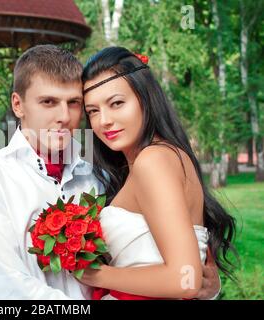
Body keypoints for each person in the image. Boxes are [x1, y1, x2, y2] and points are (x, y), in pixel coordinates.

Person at [0, 45, 221, 299]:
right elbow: (11, 288)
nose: (63, 116)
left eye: (74, 103)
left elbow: (168, 261)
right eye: (48, 101)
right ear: (18, 105)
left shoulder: (103, 175)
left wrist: (208, 285)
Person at [78, 46, 237, 299]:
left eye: (116, 103)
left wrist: (93, 273)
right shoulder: (164, 157)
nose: (104, 120)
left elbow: (184, 280)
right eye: (93, 111)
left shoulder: (153, 160)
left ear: (145, 97)